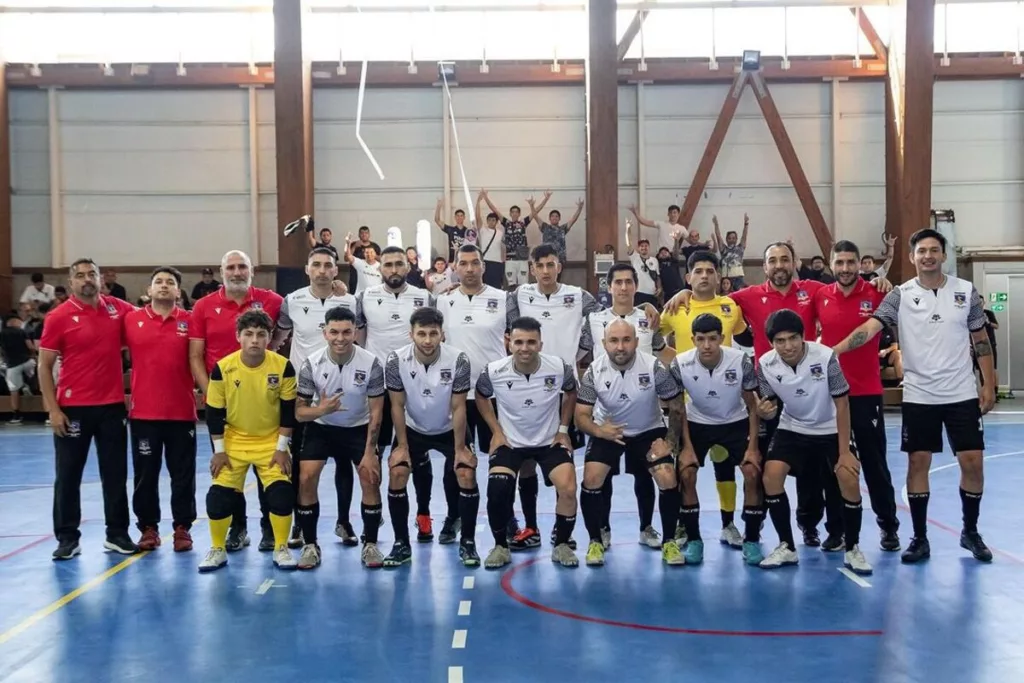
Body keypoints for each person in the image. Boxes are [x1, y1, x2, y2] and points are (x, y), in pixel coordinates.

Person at [832, 228, 995, 564]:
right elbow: (870, 329)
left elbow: (981, 340)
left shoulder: (965, 291)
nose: (928, 256)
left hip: (962, 392)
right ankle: (919, 538)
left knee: (973, 464)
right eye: (922, 251)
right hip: (920, 394)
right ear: (912, 257)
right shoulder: (900, 296)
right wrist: (832, 352)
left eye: (934, 250)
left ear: (943, 255)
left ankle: (971, 531)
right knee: (918, 463)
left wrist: (989, 384)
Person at [754, 309, 871, 575]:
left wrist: (844, 453)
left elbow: (842, 404)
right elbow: (769, 403)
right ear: (772, 342)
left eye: (793, 338)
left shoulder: (826, 357)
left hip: (830, 426)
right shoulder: (765, 364)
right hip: (793, 426)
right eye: (780, 341)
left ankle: (852, 548)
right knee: (771, 476)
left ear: (803, 337)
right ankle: (787, 546)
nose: (787, 346)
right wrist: (765, 411)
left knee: (848, 476)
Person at [39, 258, 138, 560]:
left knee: (115, 474)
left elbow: (148, 322)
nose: (86, 279)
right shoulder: (59, 316)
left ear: (100, 278)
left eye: (91, 274)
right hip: (73, 408)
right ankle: (68, 537)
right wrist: (52, 410)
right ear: (71, 282)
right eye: (80, 276)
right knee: (68, 475)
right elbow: (43, 366)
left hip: (111, 407)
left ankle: (117, 534)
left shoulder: (118, 309)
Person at [505, 244, 601, 550]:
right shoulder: (519, 295)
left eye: (551, 264)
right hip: (528, 386)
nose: (546, 270)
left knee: (565, 462)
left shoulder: (579, 296)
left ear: (559, 266)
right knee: (526, 464)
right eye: (540, 265)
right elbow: (503, 329)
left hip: (566, 389)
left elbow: (601, 324)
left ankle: (564, 533)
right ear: (532, 268)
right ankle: (530, 527)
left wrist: (578, 356)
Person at [190, 250, 284, 552]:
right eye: (230, 267)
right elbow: (195, 356)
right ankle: (237, 528)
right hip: (224, 404)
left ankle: (270, 529)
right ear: (221, 272)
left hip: (263, 401)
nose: (236, 272)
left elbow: (283, 331)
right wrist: (212, 397)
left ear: (252, 270)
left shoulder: (273, 301)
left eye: (242, 266)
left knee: (268, 468)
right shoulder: (204, 307)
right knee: (230, 469)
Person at [575, 319, 684, 567]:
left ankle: (667, 540)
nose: (620, 347)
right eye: (614, 341)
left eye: (626, 340)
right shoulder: (594, 370)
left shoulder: (654, 367)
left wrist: (669, 442)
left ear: (636, 342)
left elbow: (676, 404)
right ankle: (596, 539)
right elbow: (581, 416)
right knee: (592, 478)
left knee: (667, 476)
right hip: (610, 430)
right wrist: (599, 431)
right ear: (604, 344)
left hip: (648, 429)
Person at [813, 241, 900, 551]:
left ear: (859, 264)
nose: (846, 268)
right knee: (834, 465)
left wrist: (886, 281)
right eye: (840, 263)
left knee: (875, 463)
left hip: (866, 394)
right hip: (830, 395)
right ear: (831, 263)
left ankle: (888, 526)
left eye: (851, 262)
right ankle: (836, 530)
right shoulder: (820, 295)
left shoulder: (877, 292)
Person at [474, 316, 580, 569]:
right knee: (497, 490)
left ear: (540, 344)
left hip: (548, 442)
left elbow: (571, 391)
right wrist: (496, 431)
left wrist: (563, 429)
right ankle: (500, 546)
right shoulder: (493, 371)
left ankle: (562, 544)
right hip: (511, 443)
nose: (525, 348)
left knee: (567, 488)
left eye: (531, 342)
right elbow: (480, 395)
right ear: (509, 343)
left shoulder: (558, 367)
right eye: (519, 342)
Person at [579, 262, 672, 549]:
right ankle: (602, 529)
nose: (622, 287)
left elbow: (661, 351)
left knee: (645, 475)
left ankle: (646, 528)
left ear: (635, 286)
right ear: (608, 287)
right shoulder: (593, 319)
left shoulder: (647, 318)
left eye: (628, 282)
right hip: (606, 408)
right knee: (600, 475)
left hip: (645, 408)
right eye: (617, 282)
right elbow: (579, 352)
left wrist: (691, 365)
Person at [198, 310, 298, 572]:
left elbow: (288, 411)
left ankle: (281, 547)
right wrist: (219, 451)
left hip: (270, 442)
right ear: (238, 337)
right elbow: (213, 414)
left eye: (261, 334)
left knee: (281, 495)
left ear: (269, 338)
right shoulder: (223, 368)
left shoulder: (283, 366)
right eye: (249, 334)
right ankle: (217, 549)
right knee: (217, 498)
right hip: (234, 442)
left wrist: (281, 448)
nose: (255, 340)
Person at [272, 247, 359, 547]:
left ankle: (344, 522)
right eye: (316, 265)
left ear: (337, 271)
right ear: (307, 269)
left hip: (342, 390)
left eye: (328, 266)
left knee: (344, 461)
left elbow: (361, 338)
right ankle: (300, 523)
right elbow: (280, 336)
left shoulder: (351, 301)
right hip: (302, 395)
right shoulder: (292, 301)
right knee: (303, 464)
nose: (322, 270)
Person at [385, 308, 479, 567]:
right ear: (411, 334)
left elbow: (460, 406)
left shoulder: (458, 359)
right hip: (414, 428)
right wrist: (402, 446)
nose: (428, 340)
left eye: (433, 334)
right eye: (422, 334)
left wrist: (460, 449)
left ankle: (468, 543)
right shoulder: (395, 360)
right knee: (397, 472)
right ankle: (401, 544)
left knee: (466, 472)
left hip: (449, 427)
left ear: (442, 335)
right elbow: (396, 405)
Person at [670, 314, 766, 565]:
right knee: (686, 472)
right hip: (697, 422)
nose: (707, 345)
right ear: (693, 340)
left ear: (722, 338)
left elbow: (753, 406)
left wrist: (754, 447)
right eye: (700, 340)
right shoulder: (680, 364)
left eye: (712, 339)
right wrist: (687, 449)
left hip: (735, 421)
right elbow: (678, 409)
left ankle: (752, 539)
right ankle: (694, 540)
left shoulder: (740, 361)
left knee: (753, 472)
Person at [295, 306, 386, 570]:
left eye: (347, 331)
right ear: (324, 332)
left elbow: (377, 411)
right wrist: (322, 409)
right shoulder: (312, 363)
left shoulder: (371, 363)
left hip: (359, 426)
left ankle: (370, 543)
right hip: (321, 426)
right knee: (306, 476)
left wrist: (370, 452)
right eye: (334, 331)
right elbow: (300, 413)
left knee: (370, 475)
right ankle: (310, 544)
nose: (340, 337)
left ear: (355, 332)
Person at [355, 246, 435, 538]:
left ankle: (424, 513)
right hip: (377, 390)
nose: (393, 269)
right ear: (380, 269)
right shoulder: (365, 298)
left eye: (399, 264)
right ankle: (374, 519)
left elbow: (433, 338)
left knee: (418, 455)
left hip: (414, 388)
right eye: (388, 264)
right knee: (373, 455)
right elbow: (359, 340)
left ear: (408, 266)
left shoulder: (424, 297)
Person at [436, 245, 513, 542]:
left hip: (494, 394)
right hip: (455, 395)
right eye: (463, 263)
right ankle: (454, 515)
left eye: (475, 263)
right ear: (455, 268)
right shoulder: (442, 301)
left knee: (502, 459)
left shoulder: (503, 299)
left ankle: (506, 517)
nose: (469, 269)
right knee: (454, 460)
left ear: (483, 266)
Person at [124, 267, 198, 553]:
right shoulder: (131, 320)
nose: (164, 286)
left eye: (170, 282)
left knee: (183, 475)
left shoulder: (191, 322)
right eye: (159, 282)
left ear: (179, 291)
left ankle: (182, 528)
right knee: (145, 475)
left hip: (181, 413)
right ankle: (148, 528)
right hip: (144, 414)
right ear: (149, 289)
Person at [480, 189, 549, 289]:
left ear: (519, 214)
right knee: (511, 285)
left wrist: (544, 199)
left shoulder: (523, 223)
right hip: (510, 260)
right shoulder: (506, 223)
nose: (515, 214)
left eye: (517, 212)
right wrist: (486, 197)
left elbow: (535, 212)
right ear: (510, 214)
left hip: (522, 259)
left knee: (524, 286)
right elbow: (495, 210)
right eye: (513, 212)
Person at [1, 314, 36, 425]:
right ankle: (28, 383)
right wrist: (33, 355)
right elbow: (30, 346)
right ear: (14, 322)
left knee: (13, 390)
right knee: (35, 373)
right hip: (27, 362)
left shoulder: (1, 334)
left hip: (12, 365)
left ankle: (16, 415)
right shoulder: (22, 332)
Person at [529, 196, 583, 265]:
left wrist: (580, 208)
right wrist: (531, 205)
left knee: (558, 276)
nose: (554, 217)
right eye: (552, 216)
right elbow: (535, 216)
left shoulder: (563, 229)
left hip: (560, 259)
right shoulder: (545, 227)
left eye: (556, 216)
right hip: (547, 259)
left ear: (559, 218)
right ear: (549, 218)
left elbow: (573, 219)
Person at [624, 219, 660, 308]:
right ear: (638, 248)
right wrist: (628, 228)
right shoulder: (635, 257)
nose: (644, 248)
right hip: (638, 292)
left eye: (646, 246)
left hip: (652, 293)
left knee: (652, 318)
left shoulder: (654, 260)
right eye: (641, 246)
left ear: (649, 247)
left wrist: (659, 288)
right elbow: (629, 244)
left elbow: (658, 276)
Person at [712, 214, 749, 291]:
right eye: (729, 238)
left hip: (738, 277)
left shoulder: (740, 248)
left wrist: (746, 224)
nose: (731, 240)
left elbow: (744, 237)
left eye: (733, 238)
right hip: (726, 278)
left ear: (736, 239)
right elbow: (718, 236)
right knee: (727, 297)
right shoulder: (723, 249)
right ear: (726, 239)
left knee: (739, 296)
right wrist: (716, 224)